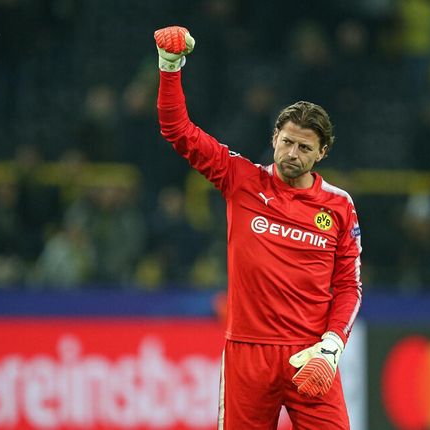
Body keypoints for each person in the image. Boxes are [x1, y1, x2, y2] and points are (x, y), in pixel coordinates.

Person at [154, 26, 363, 429]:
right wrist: (169, 67)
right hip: (248, 355)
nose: (292, 154)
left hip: (311, 357)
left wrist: (332, 347)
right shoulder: (241, 178)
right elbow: (177, 130)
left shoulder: (339, 206)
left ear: (322, 153)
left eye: (304, 148)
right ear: (274, 138)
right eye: (286, 142)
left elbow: (349, 286)